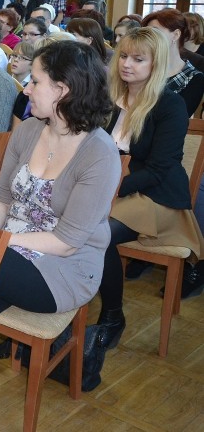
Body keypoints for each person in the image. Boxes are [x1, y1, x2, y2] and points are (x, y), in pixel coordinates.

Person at [0, 40, 120, 431]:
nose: (26, 88)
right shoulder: (30, 130)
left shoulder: (100, 153)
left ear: (64, 90)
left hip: (63, 268)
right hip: (9, 254)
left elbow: (67, 240)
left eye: (35, 81)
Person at [97, 28, 204, 349]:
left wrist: (109, 189)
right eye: (124, 56)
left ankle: (112, 315)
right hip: (118, 187)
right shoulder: (113, 97)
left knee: (96, 234)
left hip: (155, 196)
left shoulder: (169, 104)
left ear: (155, 64)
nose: (127, 64)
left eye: (138, 59)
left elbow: (159, 168)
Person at [142, 8, 204, 116]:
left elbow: (180, 117)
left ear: (176, 35)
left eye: (155, 32)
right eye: (146, 33)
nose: (148, 38)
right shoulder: (143, 67)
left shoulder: (194, 77)